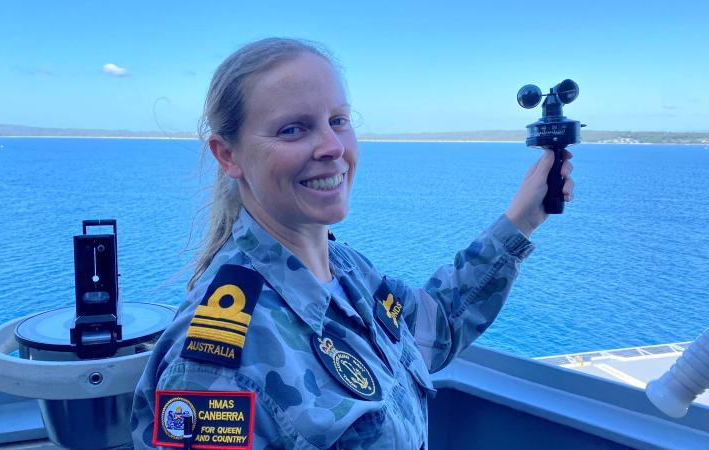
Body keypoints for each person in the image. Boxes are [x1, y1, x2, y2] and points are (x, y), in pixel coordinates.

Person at [131, 37, 574, 449]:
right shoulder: (218, 363)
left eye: (338, 120)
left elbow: (435, 328)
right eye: (292, 129)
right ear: (228, 155)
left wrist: (521, 220)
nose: (332, 146)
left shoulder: (347, 272)